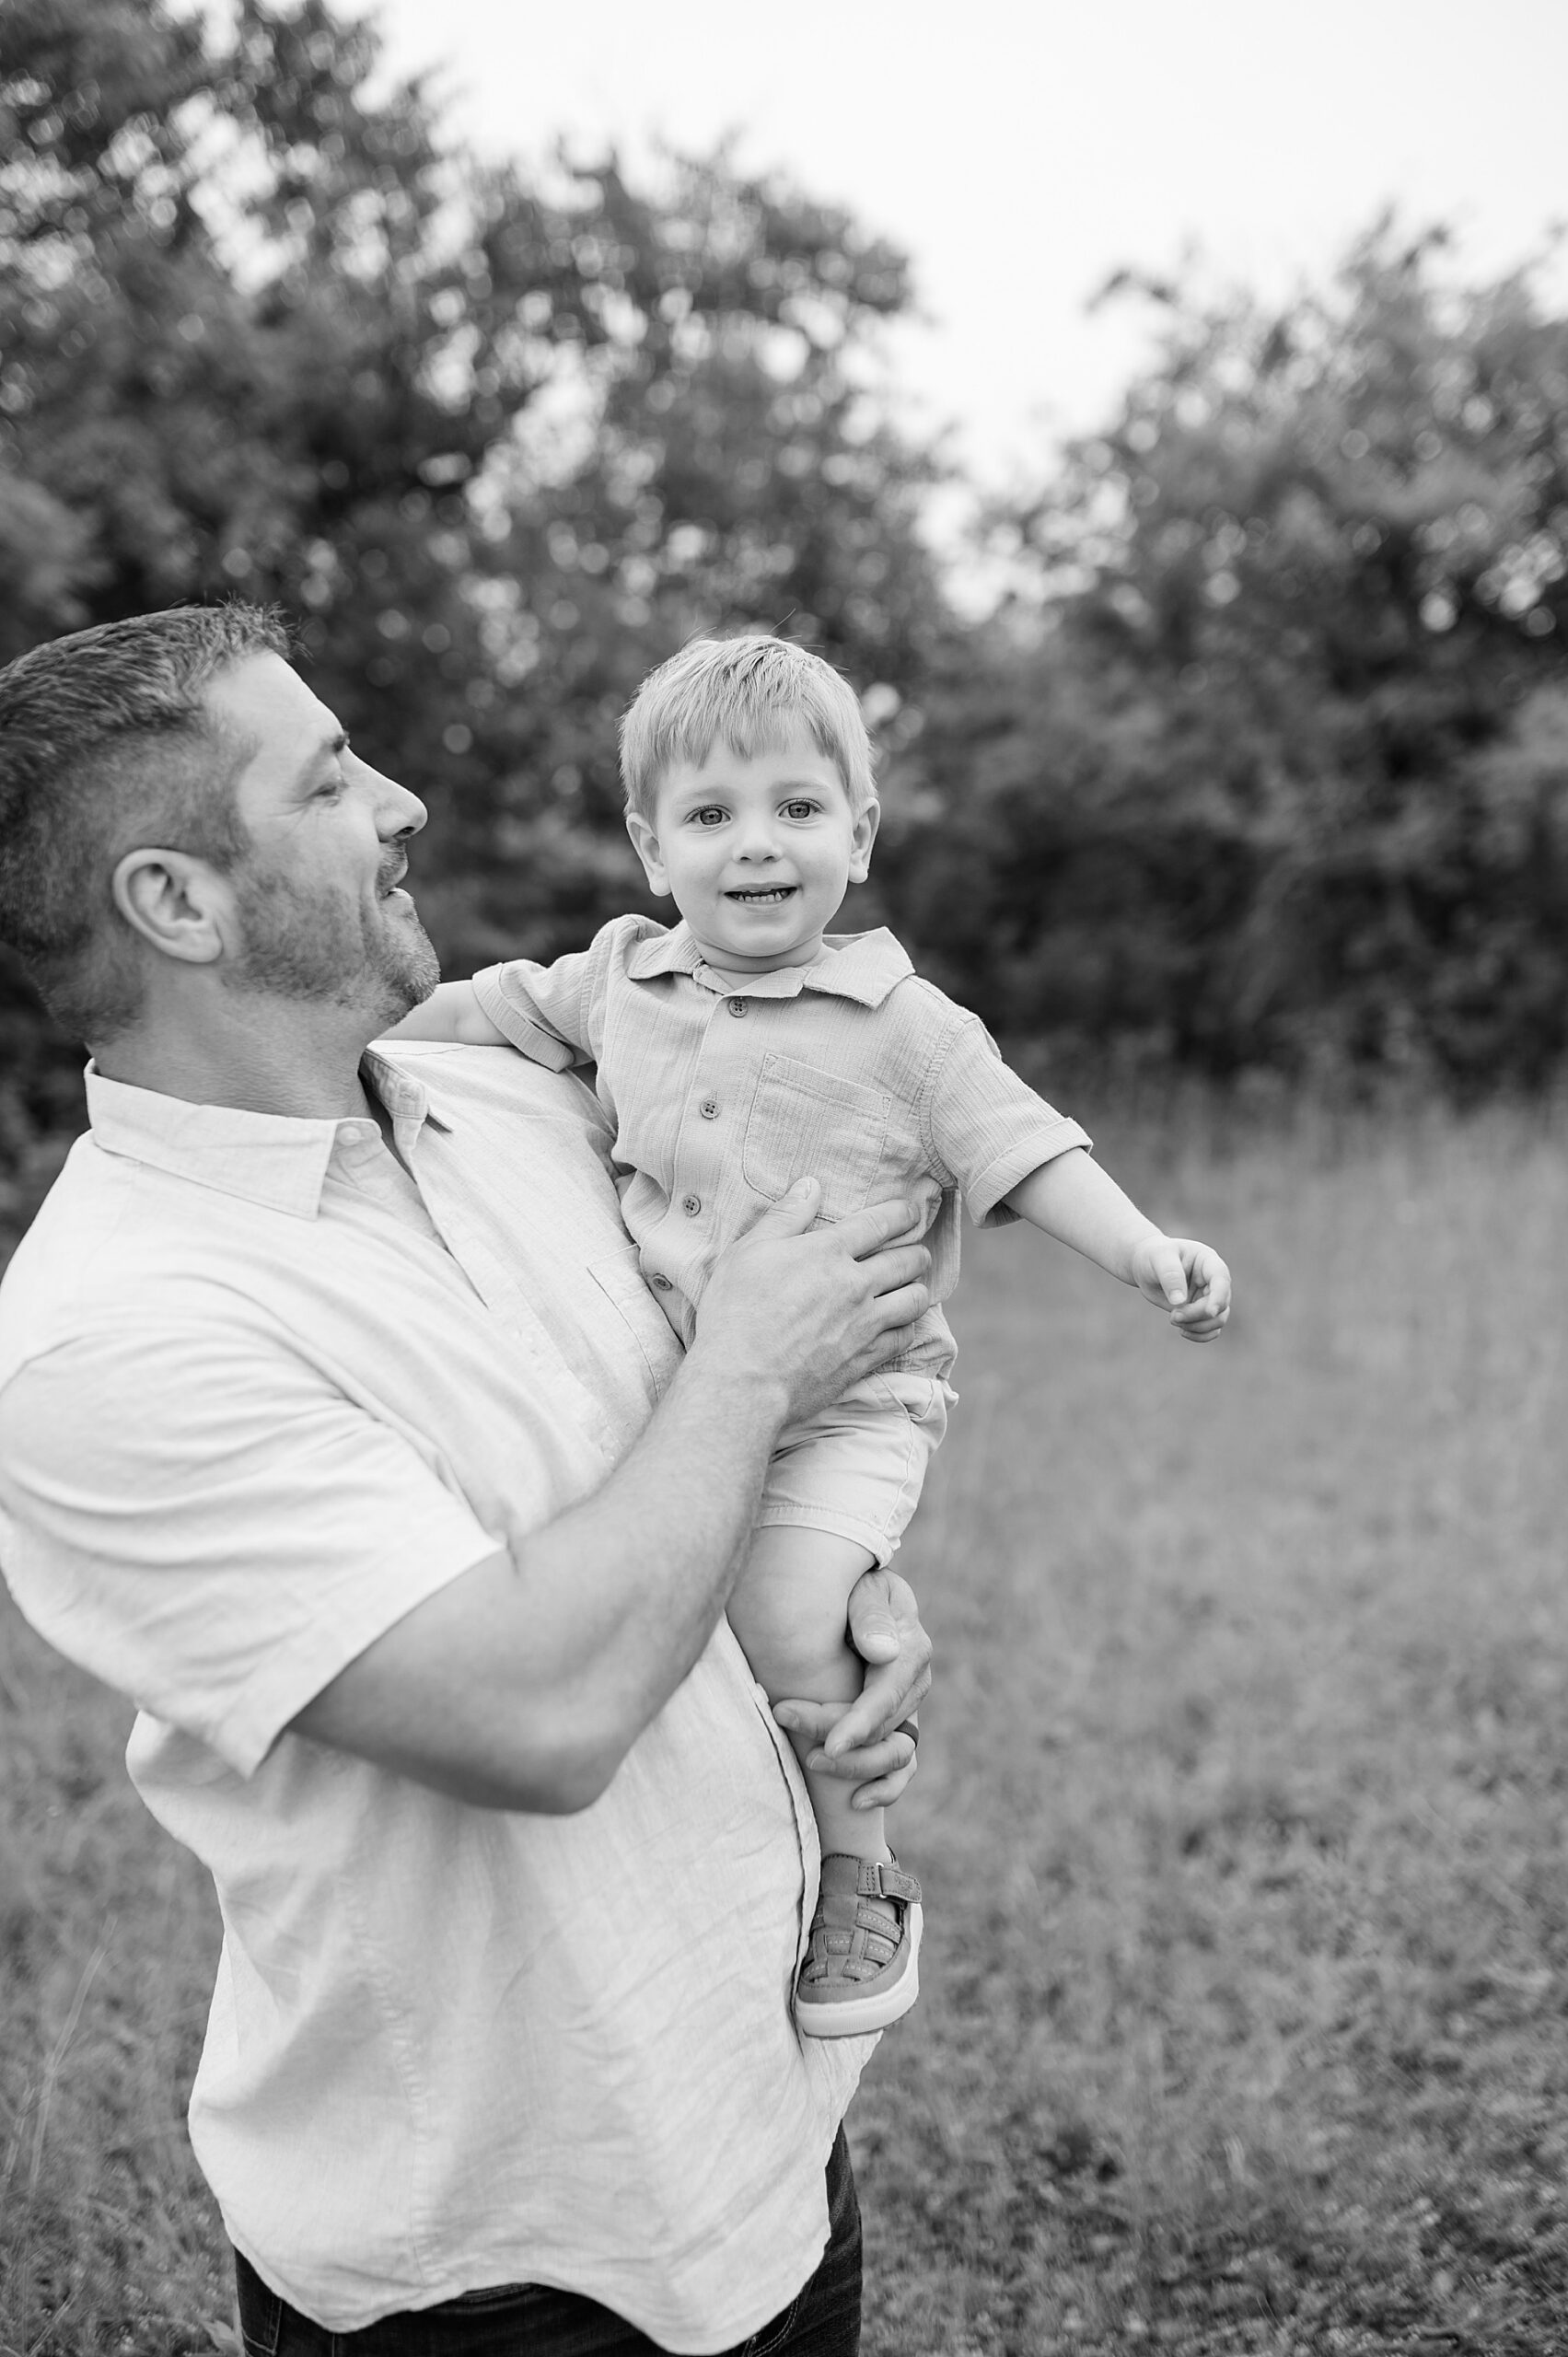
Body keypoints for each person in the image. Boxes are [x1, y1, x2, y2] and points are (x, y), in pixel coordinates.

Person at [0, 603, 940, 2356]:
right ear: (179, 904)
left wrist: (840, 1600)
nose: (405, 798)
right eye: (334, 776)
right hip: (493, 2265)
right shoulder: (105, 1336)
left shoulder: (512, 1105)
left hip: (764, 2151)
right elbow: (539, 1710)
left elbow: (694, 1470)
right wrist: (755, 1360)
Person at [389, 633, 1233, 2039]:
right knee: (636, 1606)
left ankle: (865, 1874)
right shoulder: (619, 983)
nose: (757, 845)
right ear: (651, 848)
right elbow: (481, 1008)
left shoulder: (911, 1030)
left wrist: (1149, 1251)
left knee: (780, 1615)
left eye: (796, 807)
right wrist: (322, 1027)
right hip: (685, 1396)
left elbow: (1022, 1151)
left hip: (855, 1402)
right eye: (711, 817)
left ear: (861, 830)